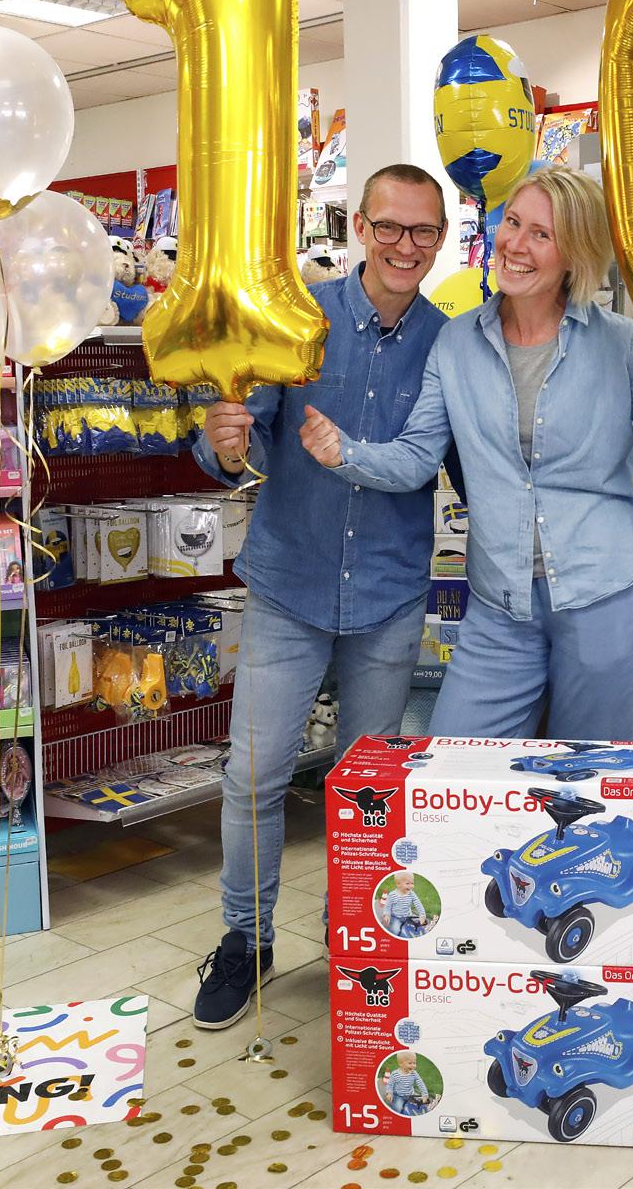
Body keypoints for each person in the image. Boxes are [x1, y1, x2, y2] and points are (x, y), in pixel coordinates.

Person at [301, 167, 633, 739]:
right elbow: (416, 456)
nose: (516, 244)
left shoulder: (619, 342)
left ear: (573, 255)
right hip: (499, 609)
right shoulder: (456, 344)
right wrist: (346, 453)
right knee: (459, 758)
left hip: (604, 600)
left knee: (588, 776)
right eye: (512, 223)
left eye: (542, 234)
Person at [187, 163, 456, 1030]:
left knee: (364, 789)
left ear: (441, 239)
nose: (405, 246)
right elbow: (234, 443)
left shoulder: (451, 344)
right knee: (252, 776)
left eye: (423, 231)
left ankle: (356, 940)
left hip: (386, 596)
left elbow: (466, 463)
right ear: (360, 229)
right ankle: (245, 941)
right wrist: (222, 444)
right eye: (390, 227)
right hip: (289, 587)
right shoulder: (297, 320)